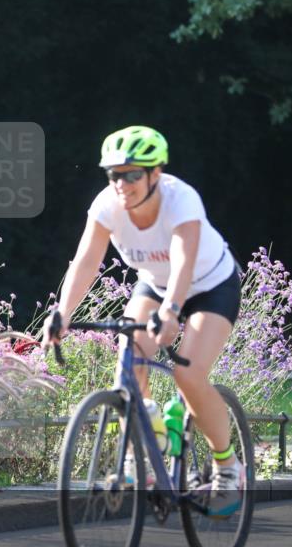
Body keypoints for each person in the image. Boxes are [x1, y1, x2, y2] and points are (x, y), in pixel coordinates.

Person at [42, 125, 242, 517]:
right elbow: (86, 260)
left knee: (188, 375)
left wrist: (171, 310)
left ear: (155, 174)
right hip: (154, 284)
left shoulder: (180, 200)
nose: (122, 183)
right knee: (129, 355)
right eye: (115, 174)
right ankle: (144, 445)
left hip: (209, 285)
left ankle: (228, 467)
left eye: (133, 174)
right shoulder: (107, 206)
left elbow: (184, 260)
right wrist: (63, 312)